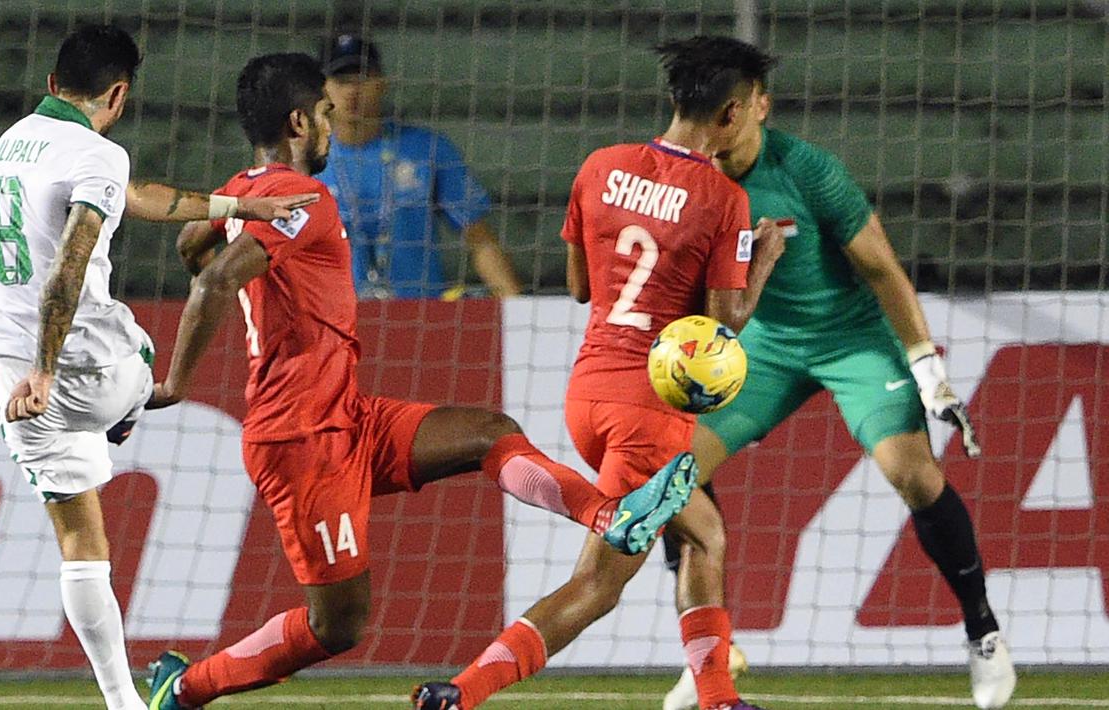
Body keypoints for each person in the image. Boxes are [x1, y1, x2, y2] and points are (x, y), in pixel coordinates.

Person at [140, 52, 697, 710]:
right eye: (322, 113)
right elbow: (213, 278)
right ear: (298, 121)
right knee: (337, 625)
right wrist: (175, 381)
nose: (331, 123)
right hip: (301, 439)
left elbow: (195, 250)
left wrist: (202, 244)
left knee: (488, 433)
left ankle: (609, 516)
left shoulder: (240, 188)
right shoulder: (305, 196)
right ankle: (184, 690)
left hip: (348, 416)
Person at [412, 37, 787, 710]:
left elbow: (581, 285)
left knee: (704, 533)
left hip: (588, 392)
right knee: (597, 584)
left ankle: (718, 698)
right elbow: (719, 324)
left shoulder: (600, 166)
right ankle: (459, 694)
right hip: (650, 408)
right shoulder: (721, 196)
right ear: (731, 113)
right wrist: (761, 259)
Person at [658, 36, 1017, 710]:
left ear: (757, 107)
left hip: (850, 339)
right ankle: (711, 652)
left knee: (909, 472)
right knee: (672, 474)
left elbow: (881, 268)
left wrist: (925, 371)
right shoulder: (682, 178)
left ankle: (983, 631)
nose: (718, 130)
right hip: (759, 347)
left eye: (731, 112)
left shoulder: (809, 171)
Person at [0, 25, 316, 710]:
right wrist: (50, 366)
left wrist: (239, 204)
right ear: (118, 94)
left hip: (7, 369)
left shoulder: (14, 142)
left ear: (52, 84)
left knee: (79, 539)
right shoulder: (94, 153)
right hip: (79, 368)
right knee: (145, 348)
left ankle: (122, 701)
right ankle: (123, 416)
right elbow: (71, 261)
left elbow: (138, 193)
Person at [315, 33, 521, 300]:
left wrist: (515, 306)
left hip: (420, 317)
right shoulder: (306, 160)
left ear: (382, 83)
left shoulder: (426, 149)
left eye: (363, 78)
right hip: (334, 317)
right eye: (342, 81)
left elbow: (479, 238)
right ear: (322, 90)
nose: (353, 90)